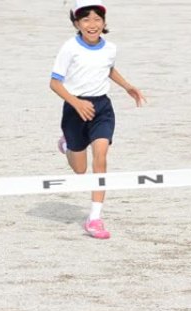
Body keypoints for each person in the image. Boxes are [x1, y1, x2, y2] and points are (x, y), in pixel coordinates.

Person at [50, 0, 146, 239]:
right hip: (75, 109)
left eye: (97, 19)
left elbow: (108, 68)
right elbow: (54, 82)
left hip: (102, 108)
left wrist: (127, 86)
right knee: (80, 170)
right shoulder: (69, 48)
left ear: (104, 22)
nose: (92, 25)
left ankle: (94, 218)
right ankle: (67, 144)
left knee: (101, 156)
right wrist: (76, 102)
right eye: (85, 20)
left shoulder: (110, 48)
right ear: (76, 23)